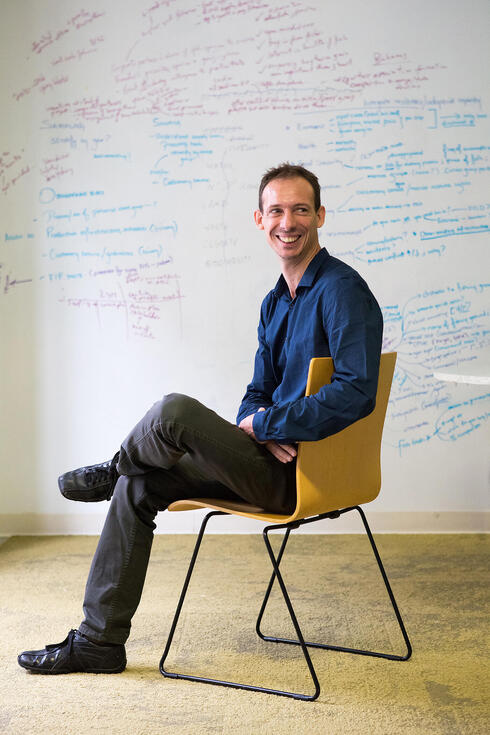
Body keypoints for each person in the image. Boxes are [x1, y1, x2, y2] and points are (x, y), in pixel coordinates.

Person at [18, 163, 383, 674]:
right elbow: (257, 392)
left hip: (301, 476)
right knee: (139, 485)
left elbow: (357, 390)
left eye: (301, 209)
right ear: (259, 219)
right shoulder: (274, 302)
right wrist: (260, 421)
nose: (288, 221)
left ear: (320, 214)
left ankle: (114, 465)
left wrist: (272, 424)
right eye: (276, 210)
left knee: (173, 411)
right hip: (264, 461)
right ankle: (99, 642)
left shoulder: (342, 289)